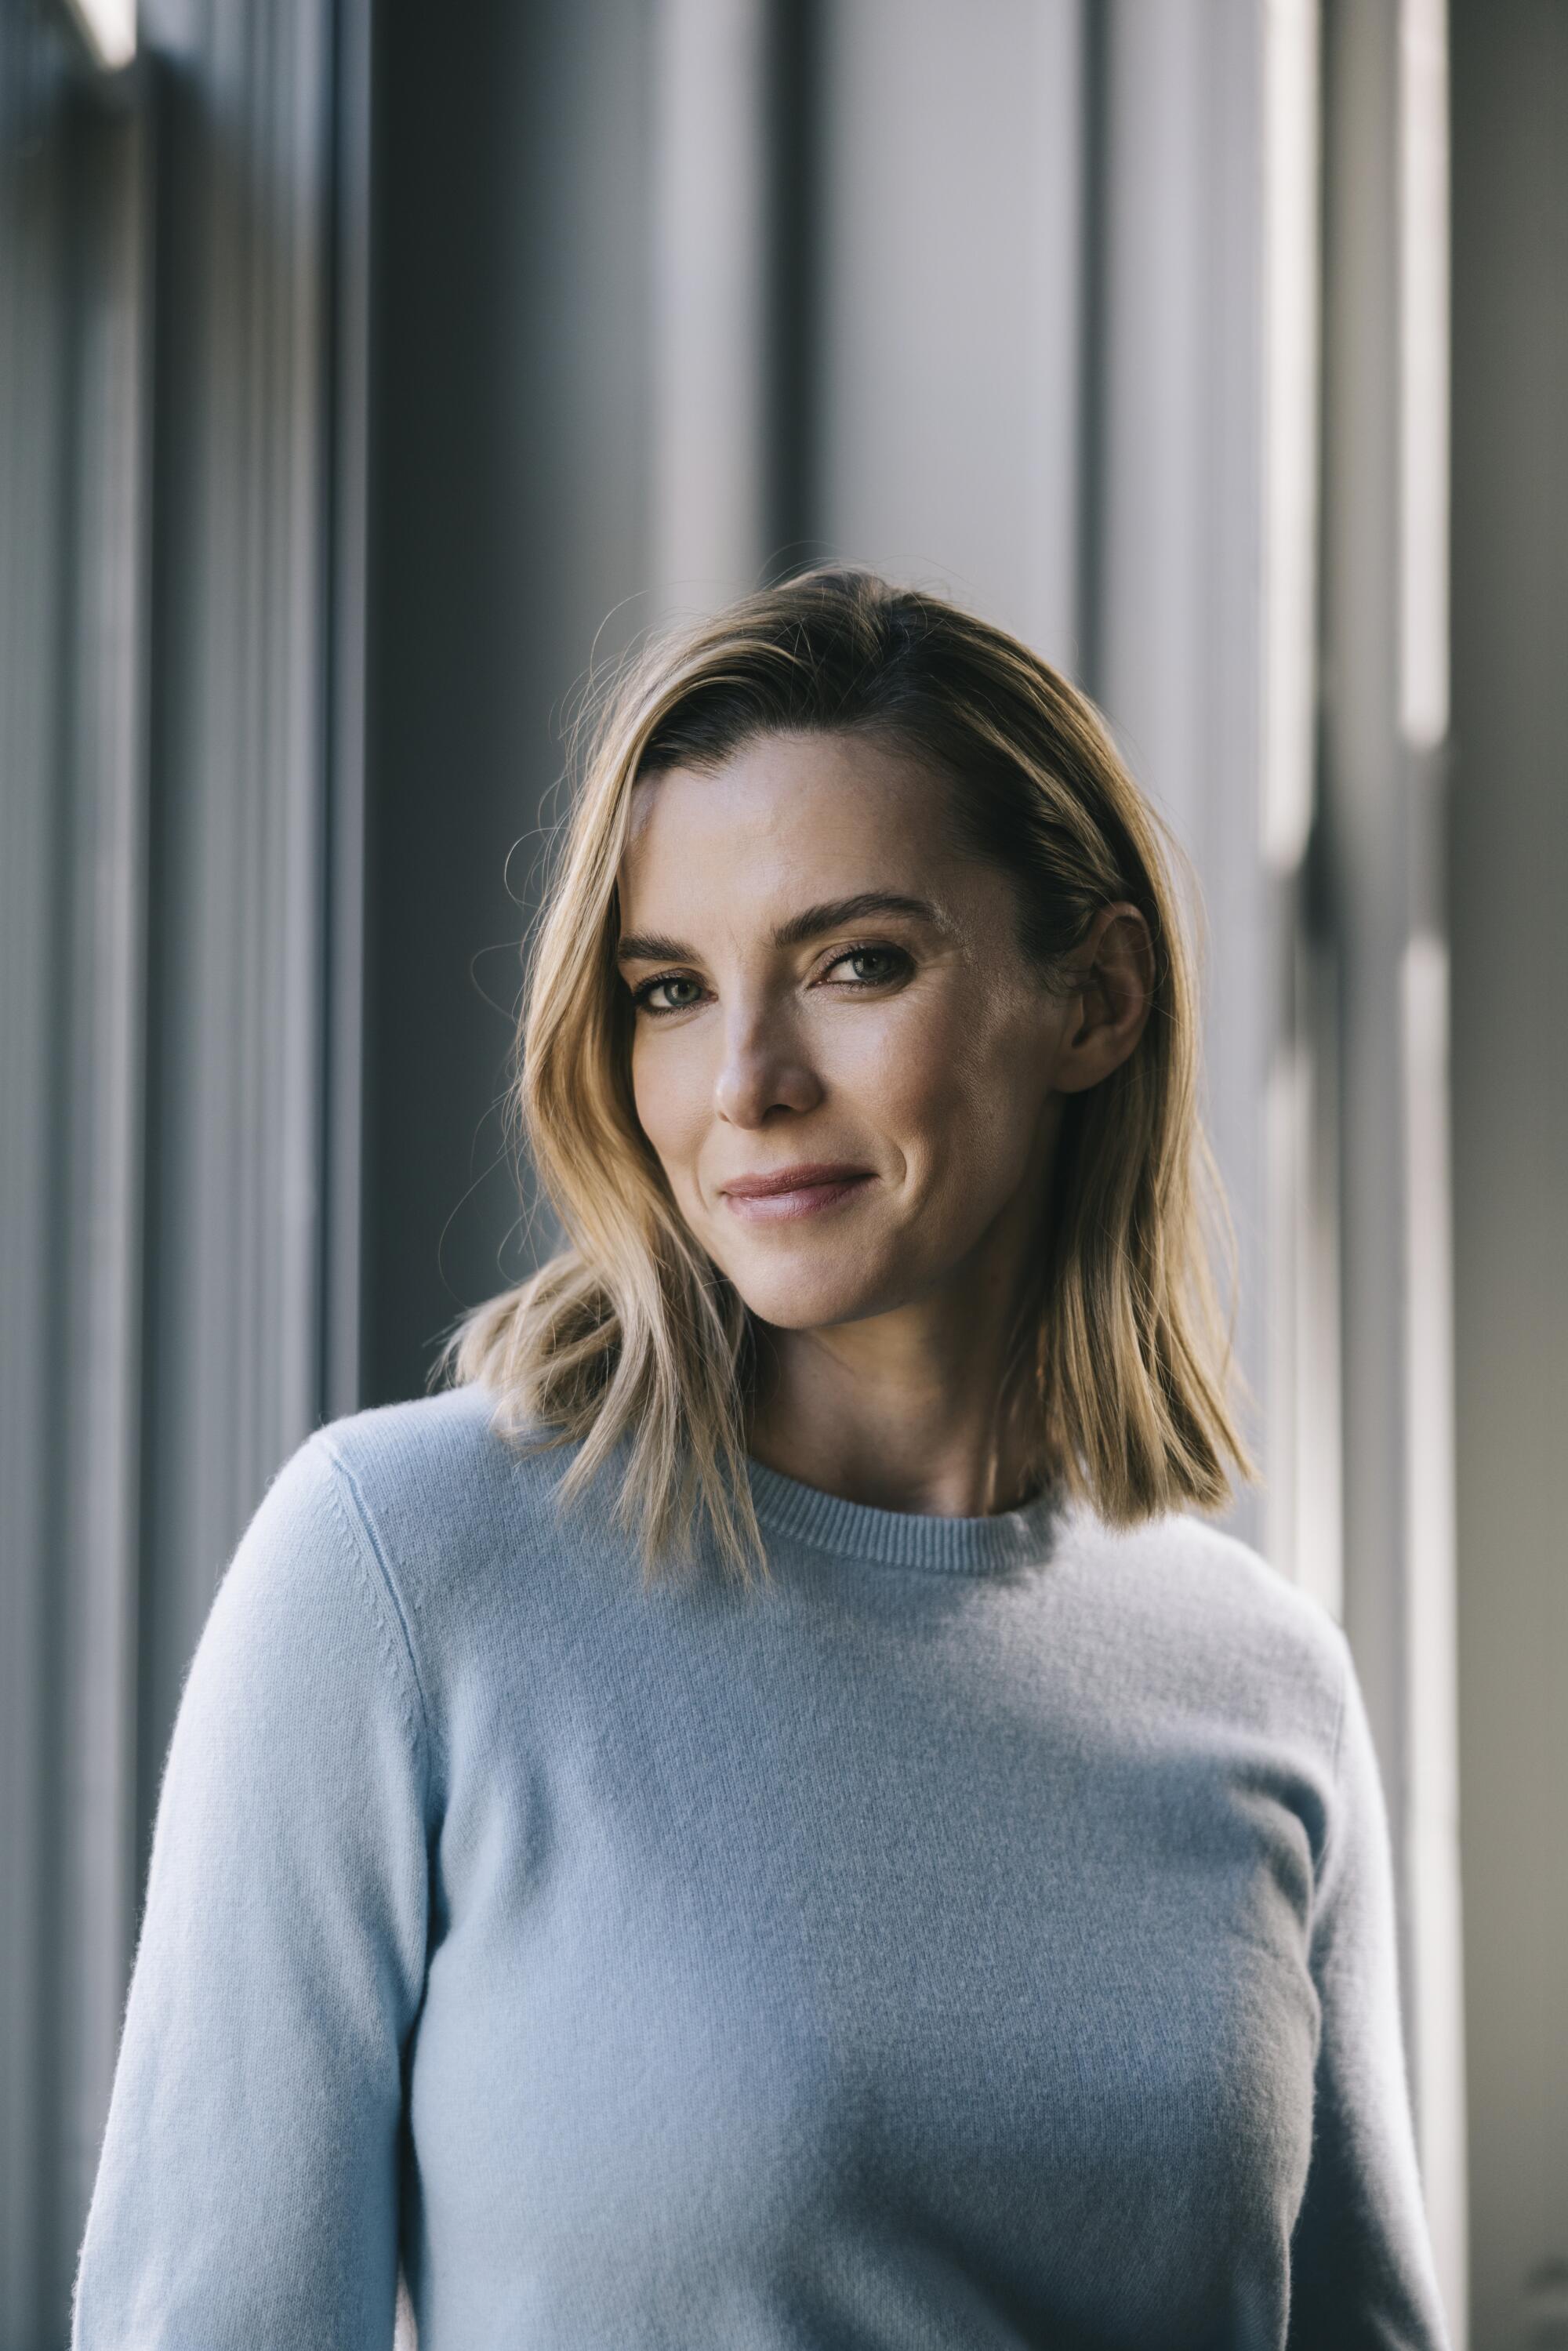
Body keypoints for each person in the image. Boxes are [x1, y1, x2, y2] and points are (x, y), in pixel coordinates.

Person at [71, 566, 1451, 2349]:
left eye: (853, 963)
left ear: (1097, 997)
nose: (745, 1082)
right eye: (668, 990)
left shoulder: (1267, 1685)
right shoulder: (406, 1571)